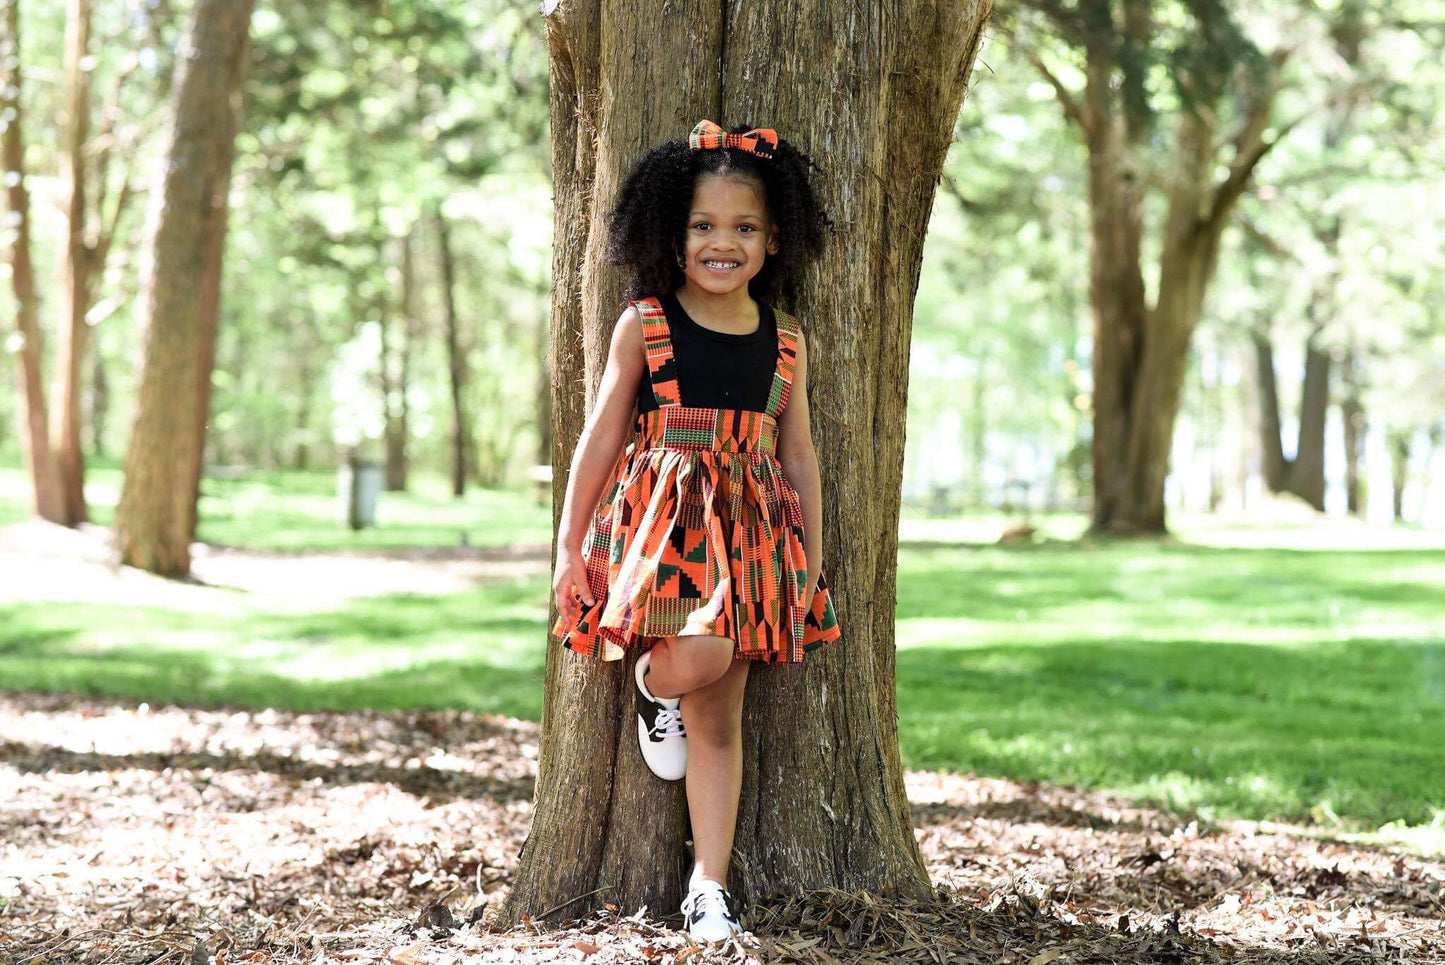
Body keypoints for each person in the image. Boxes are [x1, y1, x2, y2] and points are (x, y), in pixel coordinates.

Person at [549, 118, 842, 943]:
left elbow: (799, 454)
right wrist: (569, 546)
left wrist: (808, 563)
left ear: (773, 237)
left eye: (744, 227)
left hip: (751, 538)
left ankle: (706, 884)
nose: (724, 242)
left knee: (722, 718)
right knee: (700, 654)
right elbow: (601, 436)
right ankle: (654, 683)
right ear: (670, 235)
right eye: (703, 226)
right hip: (665, 528)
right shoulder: (643, 324)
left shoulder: (785, 340)